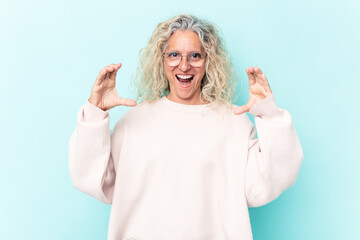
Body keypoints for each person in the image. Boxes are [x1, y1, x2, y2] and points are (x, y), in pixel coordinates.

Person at [69, 14, 303, 240]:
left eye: (195, 56)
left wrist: (269, 114)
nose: (184, 66)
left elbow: (268, 183)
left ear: (208, 61)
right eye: (174, 55)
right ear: (161, 60)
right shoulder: (134, 121)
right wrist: (95, 112)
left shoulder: (233, 122)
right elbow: (92, 180)